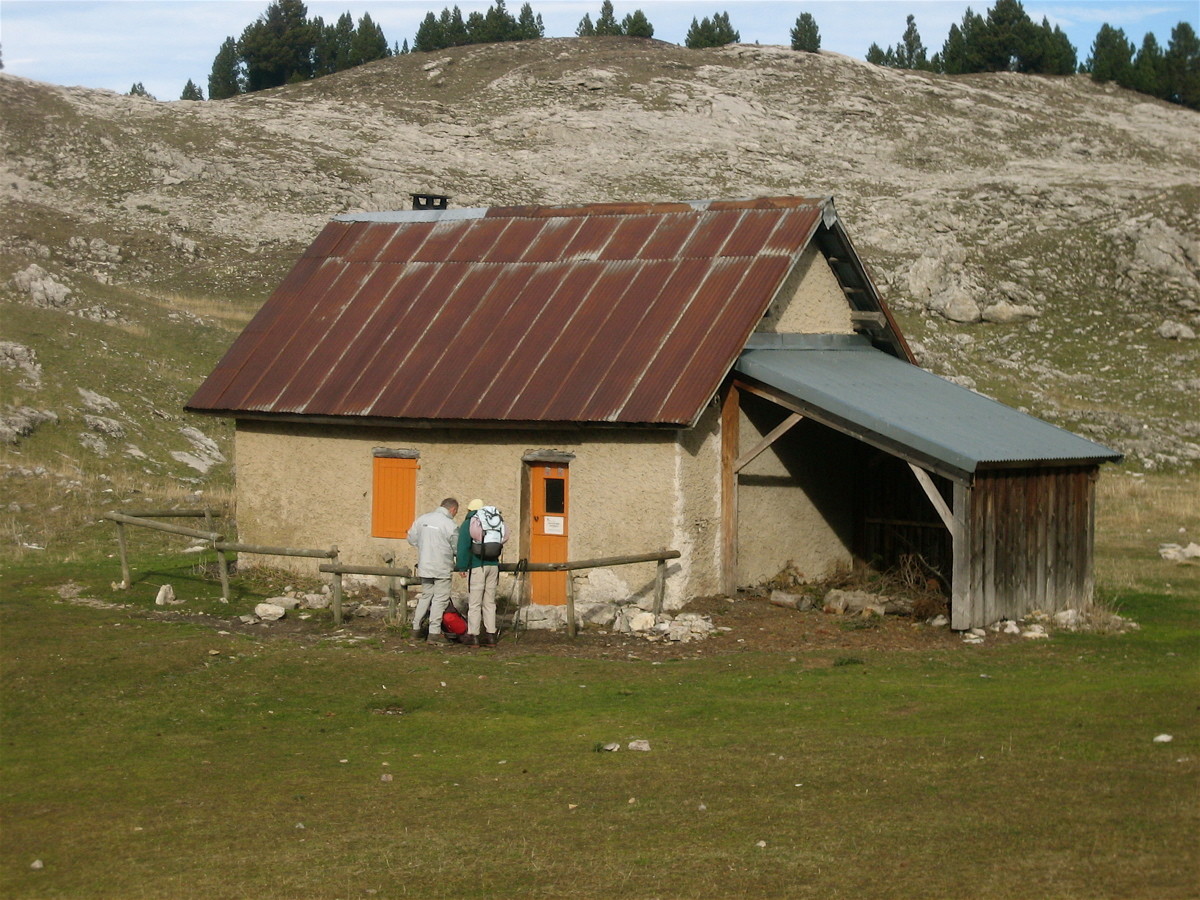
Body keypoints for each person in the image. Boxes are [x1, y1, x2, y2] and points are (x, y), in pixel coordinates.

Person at [455, 498, 507, 647]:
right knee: (490, 602)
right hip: (493, 566)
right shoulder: (493, 521)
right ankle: (491, 636)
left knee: (475, 603)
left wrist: (462, 567)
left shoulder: (470, 522)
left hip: (478, 566)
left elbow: (463, 546)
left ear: (469, 510)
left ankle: (474, 636)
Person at [407, 497, 459, 645]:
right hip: (442, 567)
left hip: (425, 565)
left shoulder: (422, 519)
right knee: (439, 599)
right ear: (453, 510)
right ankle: (434, 633)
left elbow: (411, 539)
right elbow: (456, 548)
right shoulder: (450, 524)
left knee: (426, 596)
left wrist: (424, 547)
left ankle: (416, 629)